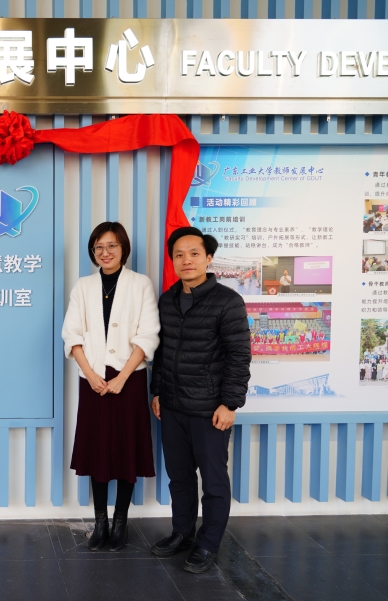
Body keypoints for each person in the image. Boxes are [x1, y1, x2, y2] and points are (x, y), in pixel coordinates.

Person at [149, 227, 251, 574]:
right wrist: (157, 391)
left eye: (194, 253)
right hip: (172, 406)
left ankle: (208, 543)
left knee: (213, 481)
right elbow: (162, 351)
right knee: (179, 477)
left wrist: (230, 403)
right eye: (179, 254)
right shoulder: (167, 300)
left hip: (210, 410)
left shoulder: (227, 301)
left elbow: (239, 356)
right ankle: (182, 532)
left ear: (208, 258)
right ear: (172, 260)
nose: (186, 260)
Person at [61, 222, 160, 552]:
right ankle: (100, 522)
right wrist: (89, 374)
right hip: (93, 380)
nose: (105, 252)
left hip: (129, 380)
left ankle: (121, 522)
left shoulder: (140, 284)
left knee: (126, 449)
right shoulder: (83, 286)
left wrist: (122, 377)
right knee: (97, 451)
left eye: (112, 246)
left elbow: (148, 335)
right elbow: (72, 333)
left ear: (123, 249)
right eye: (99, 247)